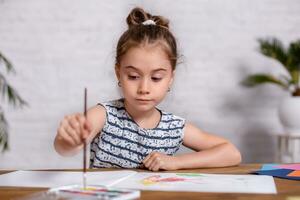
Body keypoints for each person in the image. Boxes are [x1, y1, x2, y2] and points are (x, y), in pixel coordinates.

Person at [54, 7, 241, 171]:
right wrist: (70, 140)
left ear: (170, 79)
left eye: (156, 78)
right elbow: (64, 148)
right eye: (133, 76)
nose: (144, 88)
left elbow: (231, 153)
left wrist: (177, 162)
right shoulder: (104, 115)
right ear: (118, 73)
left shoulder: (174, 127)